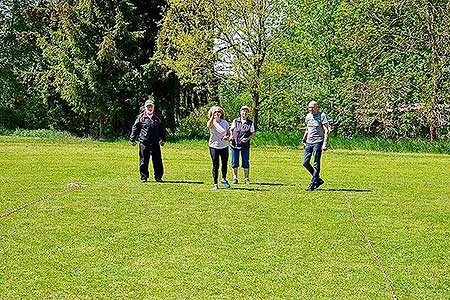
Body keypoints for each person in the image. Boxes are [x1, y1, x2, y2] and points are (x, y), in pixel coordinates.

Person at [130, 97, 166, 183]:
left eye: (151, 106)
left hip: (155, 143)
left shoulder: (158, 118)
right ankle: (144, 177)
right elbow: (135, 128)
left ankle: (158, 177)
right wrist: (132, 139)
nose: (149, 108)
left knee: (157, 161)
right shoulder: (140, 117)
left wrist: (163, 139)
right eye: (148, 107)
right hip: (144, 143)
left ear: (153, 107)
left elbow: (162, 129)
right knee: (143, 161)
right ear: (145, 107)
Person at [301, 101, 331, 191]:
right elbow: (307, 129)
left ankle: (313, 184)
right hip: (309, 142)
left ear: (316, 107)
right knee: (305, 163)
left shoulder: (322, 115)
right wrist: (303, 139)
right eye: (309, 108)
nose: (311, 110)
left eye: (312, 108)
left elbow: (327, 129)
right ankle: (318, 180)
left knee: (316, 163)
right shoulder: (308, 116)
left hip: (318, 142)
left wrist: (324, 144)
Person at [230, 105, 256, 184]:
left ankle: (246, 178)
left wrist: (247, 139)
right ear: (240, 112)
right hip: (235, 144)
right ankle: (235, 178)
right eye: (243, 111)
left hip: (245, 145)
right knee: (234, 162)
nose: (244, 113)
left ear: (248, 114)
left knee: (245, 161)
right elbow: (231, 129)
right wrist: (231, 136)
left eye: (246, 112)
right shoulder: (236, 121)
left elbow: (253, 133)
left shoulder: (250, 123)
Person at [207, 105, 231, 190]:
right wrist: (212, 117)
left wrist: (227, 137)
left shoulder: (225, 122)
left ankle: (224, 179)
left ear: (221, 113)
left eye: (218, 112)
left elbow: (229, 133)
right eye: (215, 112)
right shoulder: (211, 122)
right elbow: (209, 126)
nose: (217, 113)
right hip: (214, 146)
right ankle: (215, 183)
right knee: (215, 165)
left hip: (224, 146)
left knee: (224, 163)